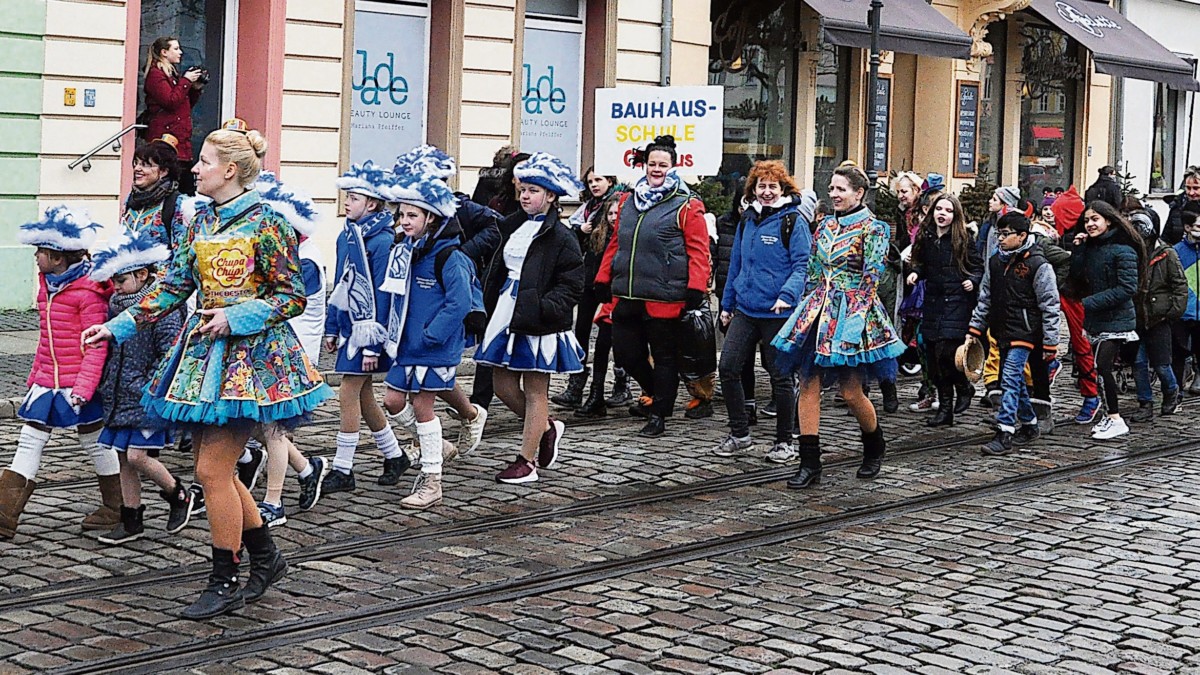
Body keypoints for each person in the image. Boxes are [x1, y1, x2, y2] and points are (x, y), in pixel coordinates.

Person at [83, 118, 333, 619]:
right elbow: (174, 284)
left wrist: (237, 314)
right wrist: (121, 325)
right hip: (203, 357)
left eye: (203, 162)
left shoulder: (267, 221)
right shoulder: (199, 221)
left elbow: (292, 297)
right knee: (215, 470)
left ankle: (226, 574)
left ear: (232, 170)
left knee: (210, 471)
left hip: (253, 362)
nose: (194, 169)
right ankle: (265, 555)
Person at [771, 161, 905, 488]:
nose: (834, 194)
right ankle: (809, 462)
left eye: (841, 189)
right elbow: (815, 271)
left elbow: (869, 279)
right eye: (831, 189)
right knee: (808, 383)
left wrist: (852, 325)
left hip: (853, 314)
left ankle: (874, 443)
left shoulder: (872, 229)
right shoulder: (825, 226)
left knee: (850, 391)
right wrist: (806, 309)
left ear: (859, 193)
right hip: (820, 309)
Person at [0, 207, 117, 540]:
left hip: (77, 384)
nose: (35, 256)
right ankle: (4, 514)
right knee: (30, 438)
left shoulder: (88, 293)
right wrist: (36, 375)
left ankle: (117, 506)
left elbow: (96, 346)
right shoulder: (46, 286)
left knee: (93, 440)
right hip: (48, 381)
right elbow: (46, 338)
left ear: (57, 257)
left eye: (41, 251)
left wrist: (84, 388)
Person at [477, 152, 585, 484]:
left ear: (551, 196)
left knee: (535, 390)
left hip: (540, 318)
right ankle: (547, 427)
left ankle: (527, 461)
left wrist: (545, 308)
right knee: (502, 383)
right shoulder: (513, 225)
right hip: (507, 310)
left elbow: (572, 283)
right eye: (522, 189)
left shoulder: (562, 237)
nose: (525, 196)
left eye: (533, 190)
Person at [594, 136, 711, 438]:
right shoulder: (627, 201)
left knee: (665, 356)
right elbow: (617, 243)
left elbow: (698, 250)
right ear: (644, 165)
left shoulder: (686, 204)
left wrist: (696, 287)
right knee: (626, 353)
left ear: (673, 167)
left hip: (665, 295)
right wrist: (603, 278)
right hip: (627, 292)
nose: (656, 169)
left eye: (663, 164)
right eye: (652, 164)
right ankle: (655, 390)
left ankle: (659, 413)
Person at [378, 170, 475, 507]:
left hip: (433, 346)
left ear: (431, 218)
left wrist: (432, 333)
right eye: (401, 214)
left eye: (412, 215)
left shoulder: (450, 256)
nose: (404, 221)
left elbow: (459, 302)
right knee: (392, 401)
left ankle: (432, 482)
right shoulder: (404, 251)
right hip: (406, 344)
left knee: (422, 407)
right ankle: (439, 446)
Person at [88, 231, 190, 544]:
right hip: (120, 394)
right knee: (122, 457)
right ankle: (131, 518)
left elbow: (169, 352)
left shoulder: (162, 308)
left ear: (142, 274)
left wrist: (150, 385)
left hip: (146, 396)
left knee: (137, 456)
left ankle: (179, 495)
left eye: (120, 281)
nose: (115, 288)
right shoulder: (117, 307)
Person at [390, 145, 491, 455]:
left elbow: (493, 226)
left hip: (439, 318)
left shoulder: (457, 211)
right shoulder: (407, 237)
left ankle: (432, 464)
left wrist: (468, 254)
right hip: (412, 333)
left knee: (426, 398)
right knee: (406, 397)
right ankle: (444, 434)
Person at [714, 161, 813, 462]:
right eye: (761, 186)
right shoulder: (748, 220)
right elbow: (737, 266)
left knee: (781, 377)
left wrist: (787, 294)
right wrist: (727, 304)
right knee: (728, 368)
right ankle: (740, 433)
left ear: (783, 189)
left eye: (772, 186)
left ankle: (784, 441)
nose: (766, 192)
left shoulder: (793, 221)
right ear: (753, 190)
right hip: (746, 308)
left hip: (778, 312)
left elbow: (802, 265)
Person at [324, 162, 411, 494]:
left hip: (368, 331)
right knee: (361, 395)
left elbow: (381, 294)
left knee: (348, 391)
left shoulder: (382, 241)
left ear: (373, 204)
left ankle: (343, 467)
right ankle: (394, 455)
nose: (346, 203)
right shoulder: (347, 234)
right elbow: (343, 284)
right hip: (349, 326)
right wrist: (333, 327)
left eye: (354, 198)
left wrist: (374, 344)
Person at [251, 172, 330, 524]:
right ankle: (306, 467)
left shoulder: (305, 259)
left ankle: (273, 502)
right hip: (266, 347)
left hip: (290, 352)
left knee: (273, 430)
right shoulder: (286, 253)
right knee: (255, 423)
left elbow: (283, 304)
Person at [966, 212, 1060, 455]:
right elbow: (985, 297)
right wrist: (975, 328)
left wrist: (1050, 342)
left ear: (1022, 235)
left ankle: (1005, 430)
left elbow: (1050, 305)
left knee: (1008, 377)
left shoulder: (1038, 265)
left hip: (1027, 331)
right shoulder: (996, 262)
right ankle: (1029, 423)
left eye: (1006, 235)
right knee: (1015, 380)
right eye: (999, 234)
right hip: (1002, 328)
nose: (1000, 239)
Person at [1068, 200, 1146, 441]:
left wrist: (1089, 303)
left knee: (1103, 365)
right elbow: (1077, 275)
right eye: (1087, 220)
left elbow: (1127, 288)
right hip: (1096, 320)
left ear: (1108, 220)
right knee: (1097, 368)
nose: (1090, 224)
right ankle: (1108, 414)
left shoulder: (1124, 251)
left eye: (1095, 219)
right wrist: (1079, 249)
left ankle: (1115, 418)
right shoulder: (1092, 248)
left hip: (1117, 320)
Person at [906, 195, 983, 426]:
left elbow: (977, 266)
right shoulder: (926, 236)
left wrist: (972, 280)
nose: (942, 214)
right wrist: (915, 273)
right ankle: (946, 409)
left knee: (946, 353)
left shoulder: (963, 238)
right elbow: (920, 262)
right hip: (933, 302)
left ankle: (963, 387)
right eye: (939, 209)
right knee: (933, 357)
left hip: (957, 301)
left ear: (955, 215)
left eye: (948, 210)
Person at [553, 167, 623, 410]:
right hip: (590, 280)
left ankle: (612, 387)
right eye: (590, 181)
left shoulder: (620, 203)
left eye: (599, 180)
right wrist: (578, 230)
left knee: (608, 340)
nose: (594, 184)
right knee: (580, 332)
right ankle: (577, 385)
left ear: (610, 180)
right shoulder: (588, 209)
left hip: (613, 286)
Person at [1050, 187, 1102, 423]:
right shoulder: (1063, 236)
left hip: (1084, 299)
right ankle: (1050, 361)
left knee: (1084, 348)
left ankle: (1092, 396)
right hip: (1067, 294)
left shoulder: (1090, 241)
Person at [1128, 210, 1185, 422]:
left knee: (1161, 364)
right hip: (1137, 317)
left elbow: (1179, 285)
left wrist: (1172, 312)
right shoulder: (1131, 252)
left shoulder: (1167, 254)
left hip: (1159, 318)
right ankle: (1145, 402)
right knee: (1139, 362)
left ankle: (1172, 392)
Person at [576, 196, 623, 418]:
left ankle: (641, 390)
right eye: (610, 214)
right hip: (604, 294)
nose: (614, 218)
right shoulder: (600, 234)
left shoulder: (629, 234)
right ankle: (596, 394)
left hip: (623, 295)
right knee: (602, 345)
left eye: (617, 214)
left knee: (629, 350)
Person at [142, 36, 204, 195]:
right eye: (175, 49)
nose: (180, 52)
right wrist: (185, 81)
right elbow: (170, 102)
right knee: (169, 190)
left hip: (181, 142)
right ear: (164, 52)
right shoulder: (156, 75)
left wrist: (195, 88)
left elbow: (184, 105)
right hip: (166, 141)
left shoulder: (172, 75)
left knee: (186, 190)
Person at [122, 136, 186, 253]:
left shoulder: (178, 204)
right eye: (136, 163)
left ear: (163, 171)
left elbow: (181, 257)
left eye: (145, 165)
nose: (137, 168)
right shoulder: (131, 199)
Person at [1173, 206, 1200, 393]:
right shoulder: (1176, 252)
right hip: (1182, 310)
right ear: (1188, 227)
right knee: (1179, 350)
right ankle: (1176, 385)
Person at [1163, 167, 1200, 245]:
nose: (1191, 192)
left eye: (1196, 188)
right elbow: (1166, 238)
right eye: (1188, 188)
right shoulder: (1177, 207)